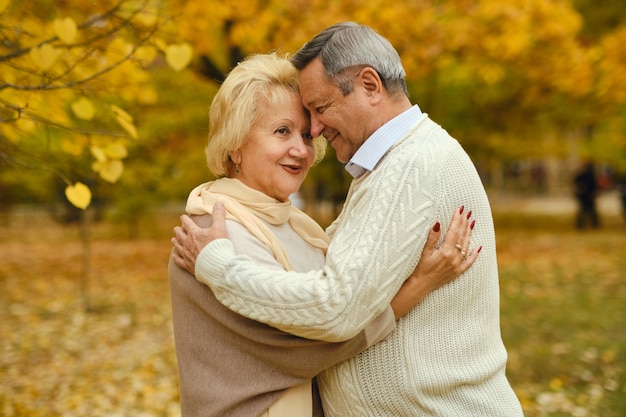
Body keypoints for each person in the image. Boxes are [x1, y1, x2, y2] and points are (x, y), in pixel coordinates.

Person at [173, 22, 524, 416]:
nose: (315, 135)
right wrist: (417, 285)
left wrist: (217, 267)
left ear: (370, 86)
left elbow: (333, 308)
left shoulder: (408, 167)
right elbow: (316, 324)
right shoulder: (214, 224)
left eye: (315, 116)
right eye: (283, 130)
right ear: (235, 144)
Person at [573, 161, 600, 229]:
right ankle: (585, 224)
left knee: (588, 210)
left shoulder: (586, 175)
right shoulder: (586, 175)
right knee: (587, 210)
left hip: (587, 195)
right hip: (586, 195)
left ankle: (588, 224)